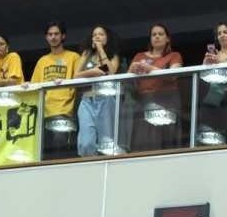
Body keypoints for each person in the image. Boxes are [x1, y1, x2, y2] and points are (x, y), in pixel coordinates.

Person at [29, 21, 81, 159]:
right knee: (41, 152)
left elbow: (79, 80)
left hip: (64, 110)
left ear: (63, 36)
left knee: (60, 150)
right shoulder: (42, 61)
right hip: (43, 112)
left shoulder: (73, 57)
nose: (53, 37)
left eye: (56, 34)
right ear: (46, 37)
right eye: (50, 34)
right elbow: (35, 86)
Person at [129, 23, 184, 153]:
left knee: (165, 136)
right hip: (143, 100)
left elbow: (174, 74)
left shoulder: (174, 55)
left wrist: (150, 69)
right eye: (154, 35)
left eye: (160, 34)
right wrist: (131, 70)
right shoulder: (139, 56)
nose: (157, 37)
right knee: (143, 137)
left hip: (167, 98)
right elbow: (129, 80)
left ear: (167, 39)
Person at [76, 25, 121, 156]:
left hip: (105, 100)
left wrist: (101, 49)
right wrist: (93, 72)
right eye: (94, 35)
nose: (97, 37)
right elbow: (75, 75)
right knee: (85, 142)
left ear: (107, 38)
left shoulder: (114, 55)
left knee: (106, 140)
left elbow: (111, 71)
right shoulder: (86, 53)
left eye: (101, 34)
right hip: (87, 100)